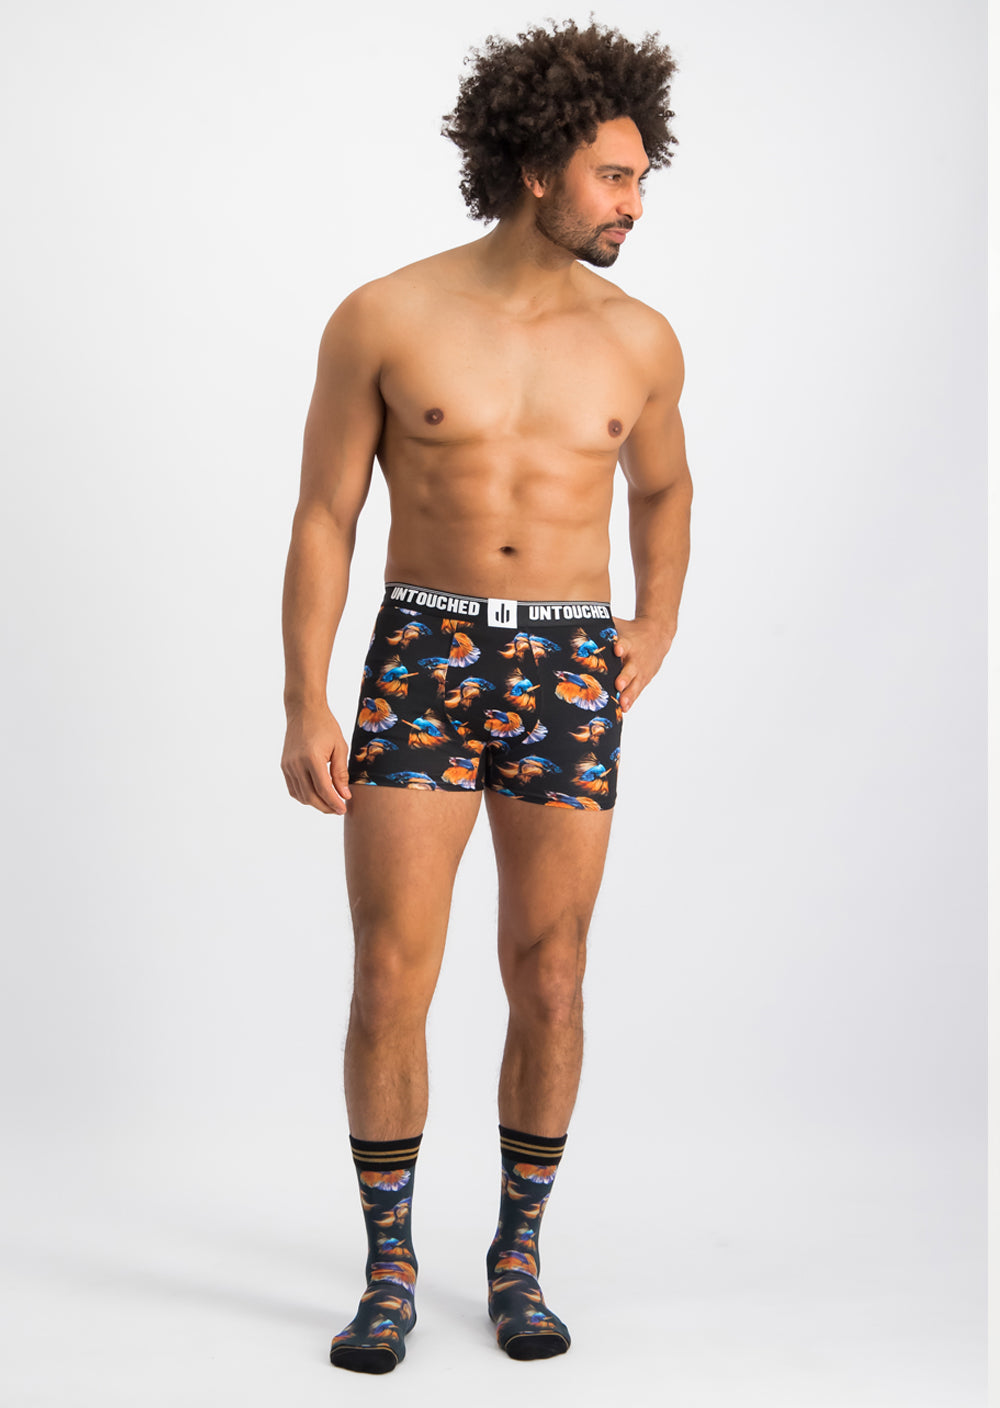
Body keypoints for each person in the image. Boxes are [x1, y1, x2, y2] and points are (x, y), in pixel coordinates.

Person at [280, 18, 692, 1374]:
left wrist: (656, 620)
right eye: (615, 176)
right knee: (390, 970)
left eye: (640, 178)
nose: (634, 204)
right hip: (424, 656)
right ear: (535, 167)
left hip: (569, 665)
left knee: (552, 972)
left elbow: (665, 489)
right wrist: (305, 696)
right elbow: (327, 513)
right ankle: (388, 1268)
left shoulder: (640, 341)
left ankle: (518, 1258)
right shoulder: (385, 316)